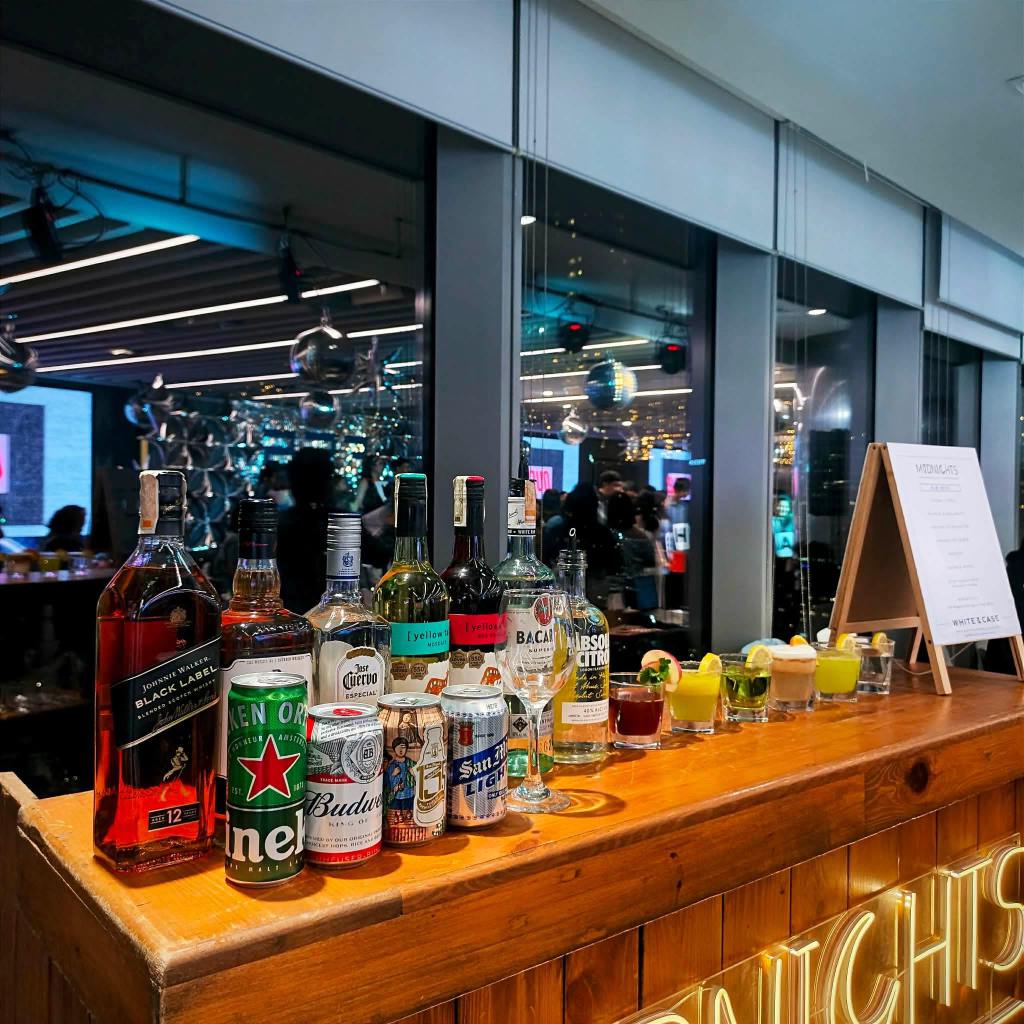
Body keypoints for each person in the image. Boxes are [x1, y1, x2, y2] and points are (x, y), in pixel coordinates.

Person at [277, 448, 334, 613]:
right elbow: (378, 554)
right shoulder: (340, 521)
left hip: (287, 610)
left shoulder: (280, 522)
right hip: (331, 612)